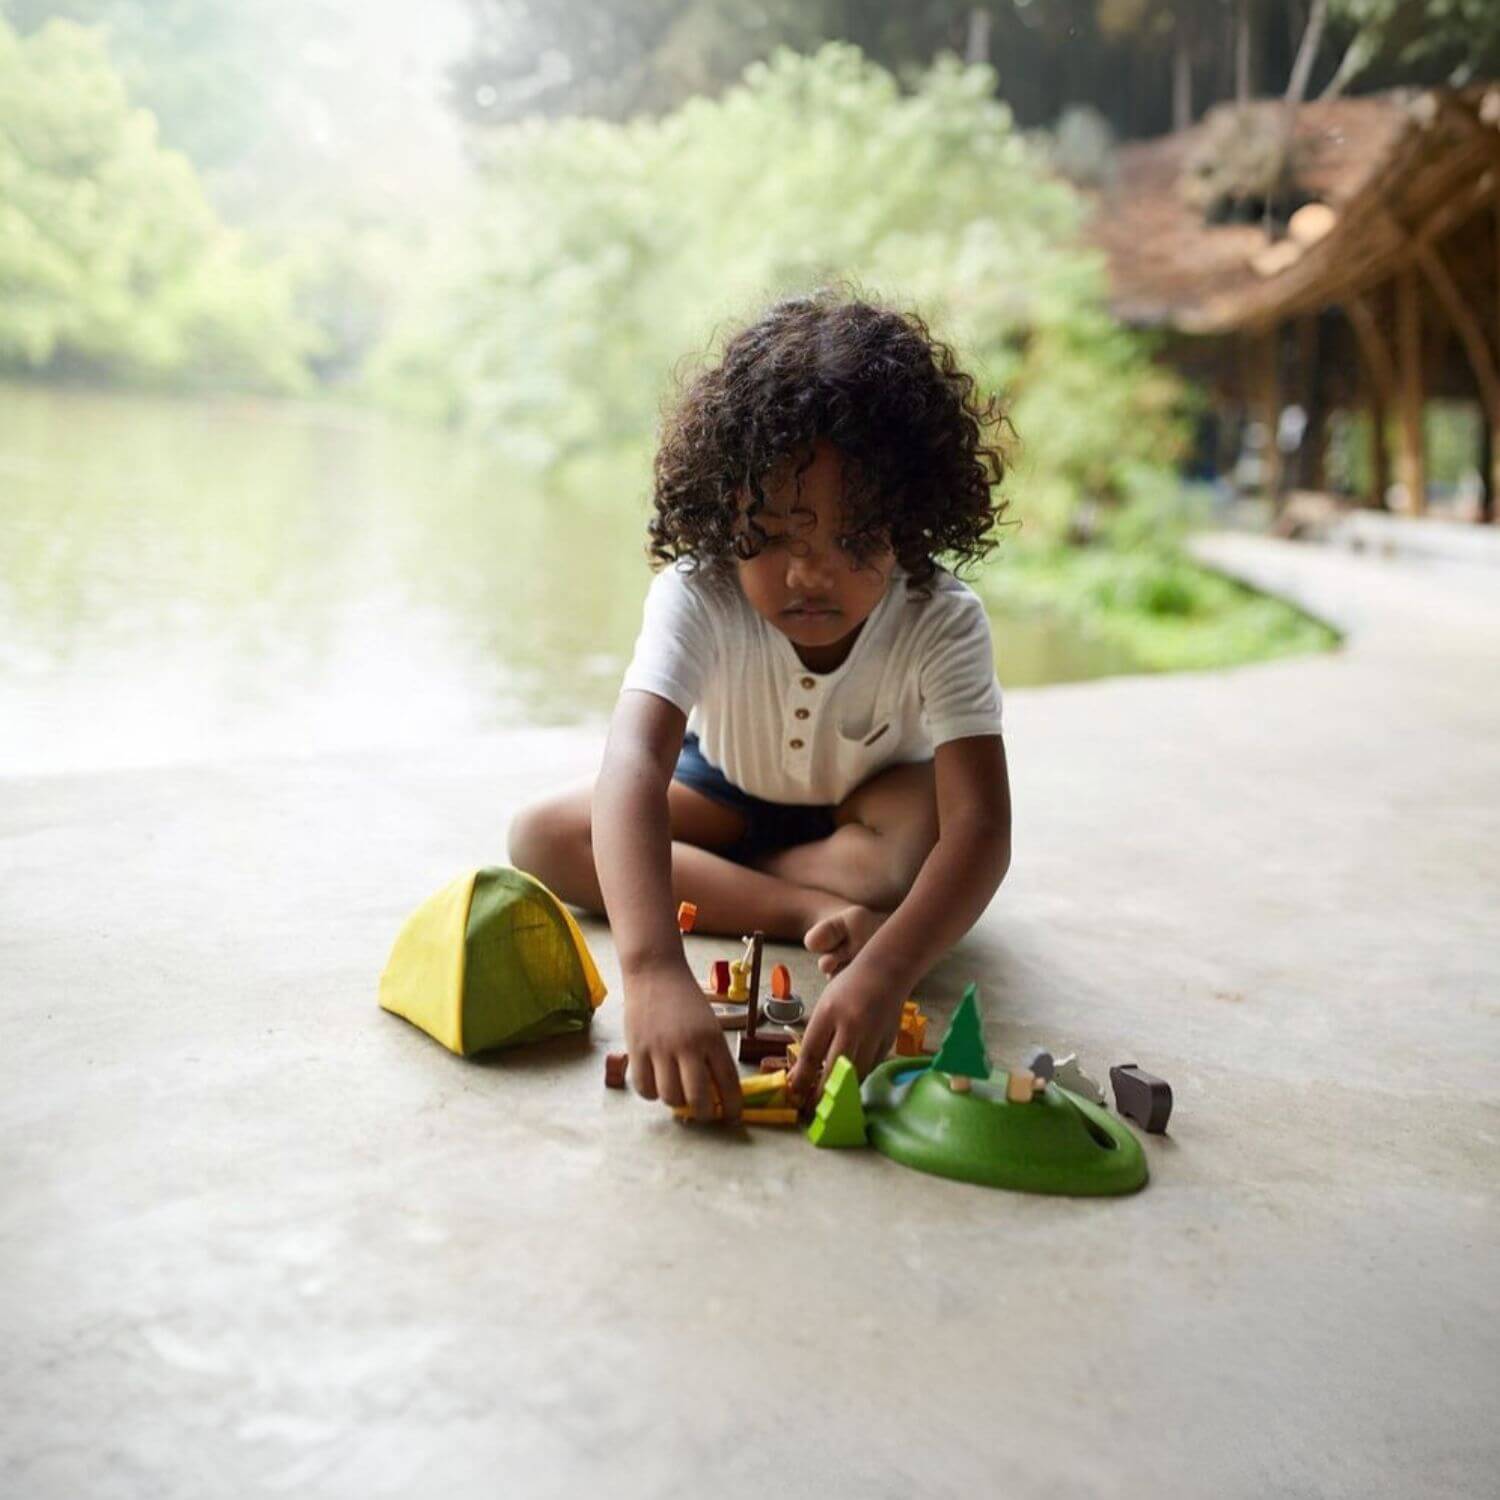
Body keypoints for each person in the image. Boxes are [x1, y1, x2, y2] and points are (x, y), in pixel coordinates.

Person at [508, 290, 1013, 1121]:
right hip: (726, 796)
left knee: (916, 856)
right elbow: (633, 764)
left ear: (911, 522)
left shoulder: (940, 617)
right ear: (721, 512)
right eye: (775, 536)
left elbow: (983, 828)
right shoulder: (696, 592)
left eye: (852, 541)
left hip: (866, 812)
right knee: (547, 837)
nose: (808, 575)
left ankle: (780, 892)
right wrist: (653, 971)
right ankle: (804, 908)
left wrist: (887, 970)